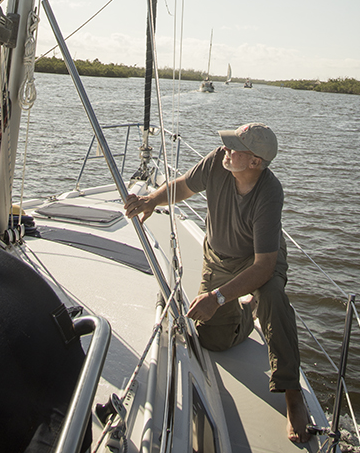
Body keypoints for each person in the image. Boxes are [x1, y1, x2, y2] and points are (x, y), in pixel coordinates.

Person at [124, 122, 311, 444]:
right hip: (219, 259)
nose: (225, 149)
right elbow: (182, 186)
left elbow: (264, 265)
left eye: (234, 147)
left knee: (272, 297)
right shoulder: (216, 161)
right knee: (213, 340)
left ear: (255, 162)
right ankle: (245, 310)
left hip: (258, 259)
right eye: (227, 143)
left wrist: (218, 296)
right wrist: (152, 200)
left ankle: (292, 391)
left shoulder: (269, 192)